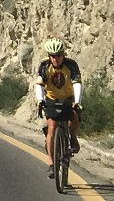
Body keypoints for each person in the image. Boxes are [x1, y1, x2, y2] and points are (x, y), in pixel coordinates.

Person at [34, 38, 81, 177]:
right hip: (52, 98)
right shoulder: (44, 65)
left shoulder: (71, 65)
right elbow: (40, 84)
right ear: (49, 56)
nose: (56, 59)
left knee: (75, 116)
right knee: (52, 128)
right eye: (53, 56)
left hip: (68, 97)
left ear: (63, 55)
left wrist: (77, 102)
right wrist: (40, 100)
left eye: (59, 55)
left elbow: (77, 84)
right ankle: (52, 164)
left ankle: (72, 137)